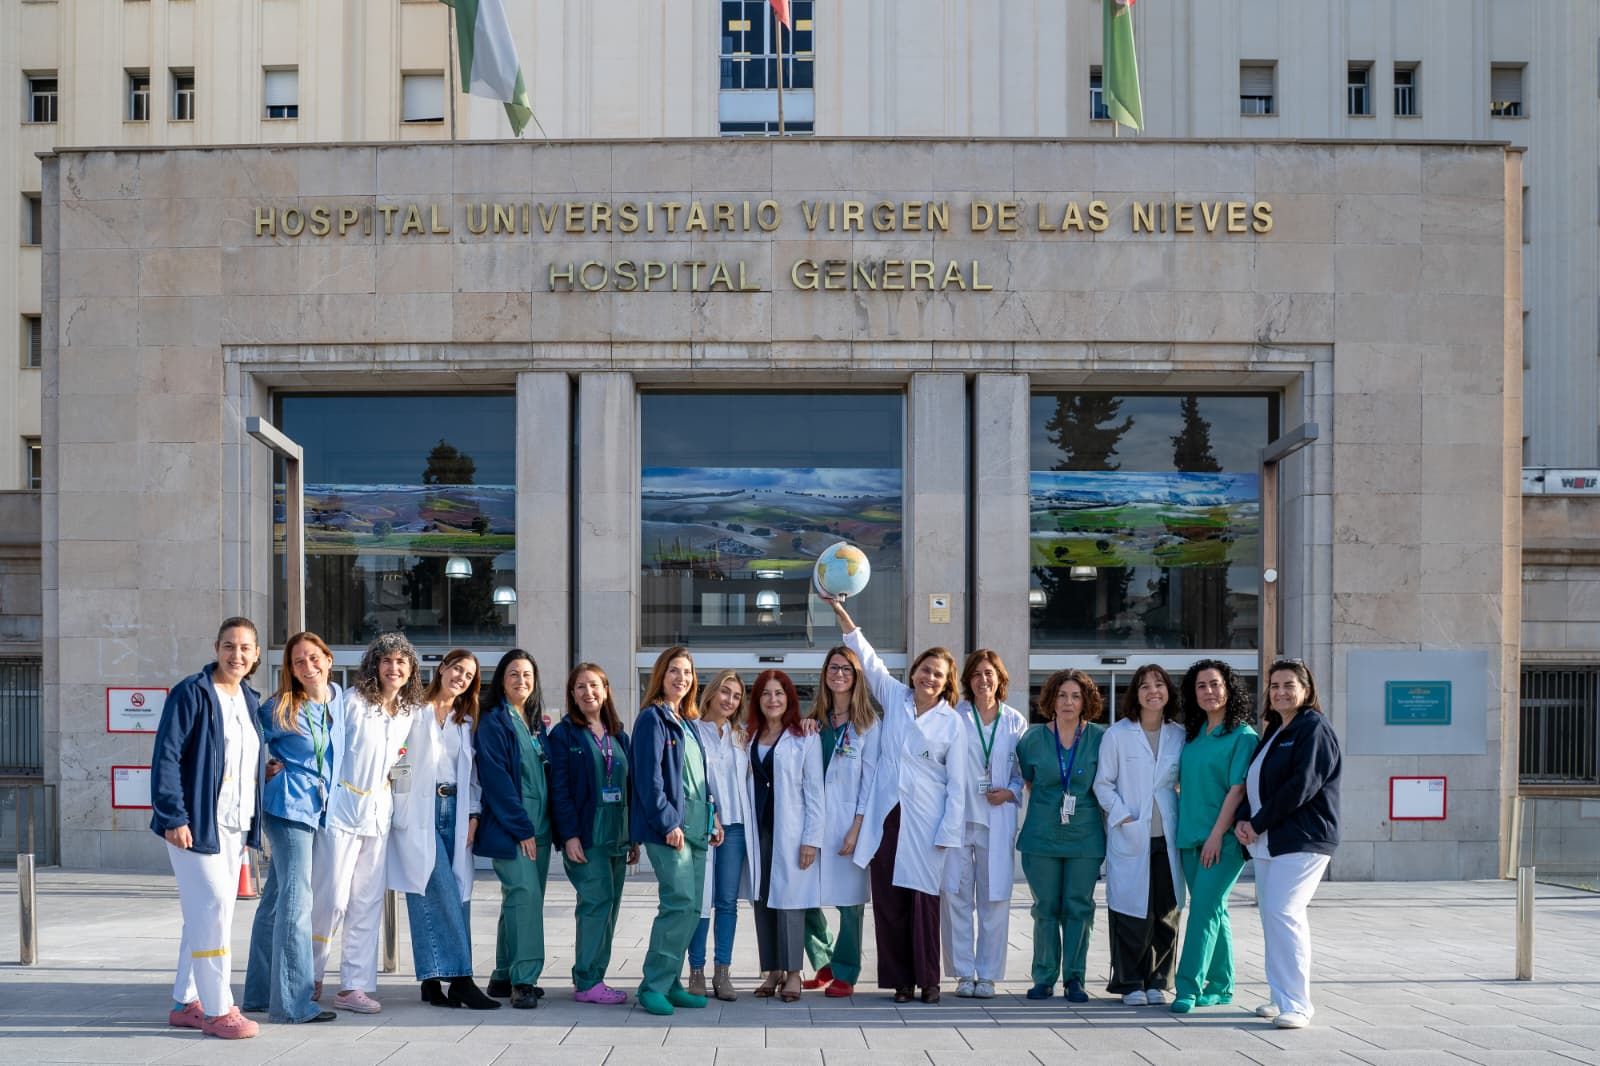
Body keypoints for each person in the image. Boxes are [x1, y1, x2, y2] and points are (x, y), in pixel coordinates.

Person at [828, 597, 969, 1004]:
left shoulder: (952, 723)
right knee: (889, 903)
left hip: (927, 821)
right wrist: (841, 612)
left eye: (938, 675)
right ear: (914, 672)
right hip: (887, 816)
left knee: (923, 902)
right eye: (925, 670)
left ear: (946, 683)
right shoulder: (893, 698)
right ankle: (900, 983)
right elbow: (866, 657)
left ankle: (929, 981)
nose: (929, 678)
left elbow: (957, 784)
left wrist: (948, 831)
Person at [149, 617, 266, 1040]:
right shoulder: (192, 693)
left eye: (245, 648)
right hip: (196, 824)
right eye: (229, 646)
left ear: (255, 655)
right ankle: (218, 1010)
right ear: (216, 648)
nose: (237, 655)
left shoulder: (250, 700)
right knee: (213, 909)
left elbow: (239, 759)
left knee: (206, 912)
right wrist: (172, 816)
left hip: (236, 824)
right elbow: (167, 757)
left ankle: (186, 1001)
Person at [309, 632, 421, 1015]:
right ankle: (309, 974)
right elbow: (323, 746)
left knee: (367, 902)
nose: (394, 668)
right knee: (331, 898)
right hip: (341, 808)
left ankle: (353, 986)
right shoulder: (352, 702)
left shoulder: (407, 712)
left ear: (410, 671)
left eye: (402, 662)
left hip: (379, 812)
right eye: (387, 661)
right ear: (375, 665)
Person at [387, 648, 499, 1010]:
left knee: (453, 890)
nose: (461, 678)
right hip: (419, 807)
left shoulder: (466, 719)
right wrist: (399, 805)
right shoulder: (411, 710)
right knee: (433, 886)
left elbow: (475, 777)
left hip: (456, 806)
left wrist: (474, 814)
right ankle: (462, 979)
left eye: (469, 676)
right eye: (457, 669)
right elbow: (395, 759)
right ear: (442, 669)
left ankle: (432, 979)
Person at [1235, 657, 1342, 1030]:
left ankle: (1298, 1003)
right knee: (1272, 917)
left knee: (1285, 913)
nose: (1281, 692)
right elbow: (1256, 781)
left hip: (1303, 838)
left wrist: (1258, 821)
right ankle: (1281, 996)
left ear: (1306, 689)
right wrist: (1244, 821)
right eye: (1275, 685)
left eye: (1289, 685)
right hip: (1269, 839)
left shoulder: (1313, 728)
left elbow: (1302, 786)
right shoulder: (1277, 730)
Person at [242, 632, 339, 1025]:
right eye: (299, 661)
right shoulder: (280, 706)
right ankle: (293, 1004)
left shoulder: (339, 705)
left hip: (316, 808)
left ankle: (259, 994)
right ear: (291, 669)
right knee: (298, 903)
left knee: (276, 900)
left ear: (328, 659)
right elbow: (242, 742)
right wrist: (258, 773)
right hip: (287, 807)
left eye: (314, 657)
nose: (308, 665)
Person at [630, 646, 725, 1016]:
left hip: (699, 828)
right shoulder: (652, 719)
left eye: (686, 672)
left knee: (692, 910)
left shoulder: (686, 721)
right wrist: (668, 822)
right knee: (679, 903)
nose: (681, 678)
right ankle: (653, 984)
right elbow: (649, 779)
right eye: (674, 671)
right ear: (660, 675)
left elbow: (701, 777)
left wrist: (713, 817)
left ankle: (671, 981)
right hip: (671, 829)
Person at [1093, 663, 1186, 1006]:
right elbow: (1102, 784)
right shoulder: (1117, 734)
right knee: (1131, 910)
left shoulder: (1179, 734)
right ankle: (1130, 982)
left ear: (1168, 692)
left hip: (1167, 836)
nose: (1152, 691)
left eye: (1159, 684)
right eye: (1145, 686)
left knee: (1166, 909)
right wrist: (1124, 818)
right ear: (1136, 694)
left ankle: (1157, 981)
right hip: (1132, 834)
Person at [1170, 659, 1258, 1014]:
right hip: (1189, 835)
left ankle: (1187, 986)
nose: (1209, 691)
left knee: (1202, 911)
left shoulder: (1243, 736)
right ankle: (1221, 985)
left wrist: (1216, 835)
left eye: (1215, 684)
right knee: (1215, 910)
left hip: (1220, 841)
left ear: (1229, 688)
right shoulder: (1193, 736)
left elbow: (1237, 791)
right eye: (1202, 686)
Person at [1015, 669, 1107, 1003]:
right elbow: (1028, 780)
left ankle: (1074, 978)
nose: (1068, 702)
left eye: (1076, 696)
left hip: (1085, 837)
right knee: (1045, 907)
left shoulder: (1100, 739)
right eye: (1062, 695)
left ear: (1086, 702)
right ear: (1051, 699)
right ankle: (1043, 976)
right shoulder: (1032, 739)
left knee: (1079, 906)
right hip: (1041, 836)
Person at [549, 662, 639, 1005]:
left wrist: (634, 838)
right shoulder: (565, 734)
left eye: (594, 686)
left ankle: (594, 977)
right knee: (595, 903)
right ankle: (587, 979)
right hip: (586, 835)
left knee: (610, 907)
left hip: (617, 832)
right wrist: (569, 835)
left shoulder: (619, 734)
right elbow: (559, 789)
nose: (588, 693)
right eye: (581, 687)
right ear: (572, 694)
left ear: (606, 691)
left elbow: (629, 787)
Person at [942, 649, 1027, 999]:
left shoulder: (1015, 722)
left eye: (989, 673)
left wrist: (1010, 791)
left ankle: (988, 975)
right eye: (976, 674)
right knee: (957, 897)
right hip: (960, 819)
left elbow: (1024, 773)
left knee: (994, 899)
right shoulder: (954, 717)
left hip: (996, 818)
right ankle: (963, 973)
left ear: (1000, 678)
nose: (983, 680)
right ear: (967, 681)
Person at [474, 650, 554, 1010]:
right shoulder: (494, 721)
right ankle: (525, 980)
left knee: (518, 899)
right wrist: (522, 828)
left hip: (542, 828)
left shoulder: (535, 722)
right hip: (515, 827)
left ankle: (503, 974)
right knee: (525, 897)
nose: (521, 681)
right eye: (513, 675)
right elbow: (497, 780)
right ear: (501, 681)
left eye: (527, 675)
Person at [802, 644, 880, 999]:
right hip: (814, 823)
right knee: (802, 896)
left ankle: (847, 970)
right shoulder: (812, 722)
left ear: (857, 676)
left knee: (851, 904)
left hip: (850, 822)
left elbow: (871, 781)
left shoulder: (868, 725)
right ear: (825, 674)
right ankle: (823, 962)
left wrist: (858, 827)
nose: (839, 674)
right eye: (833, 668)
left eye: (847, 669)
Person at [744, 669, 825, 1002]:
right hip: (759, 830)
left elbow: (815, 792)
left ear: (789, 698)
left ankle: (793, 973)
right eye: (766, 693)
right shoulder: (748, 736)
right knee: (763, 900)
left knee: (791, 903)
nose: (772, 699)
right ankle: (773, 969)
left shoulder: (805, 736)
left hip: (791, 832)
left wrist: (811, 838)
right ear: (758, 700)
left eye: (779, 693)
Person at [687, 670, 757, 1002]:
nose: (730, 700)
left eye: (736, 696)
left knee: (727, 903)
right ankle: (696, 970)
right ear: (712, 693)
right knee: (701, 901)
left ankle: (723, 972)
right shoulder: (692, 732)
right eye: (725, 692)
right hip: (704, 828)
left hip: (737, 828)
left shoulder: (741, 736)